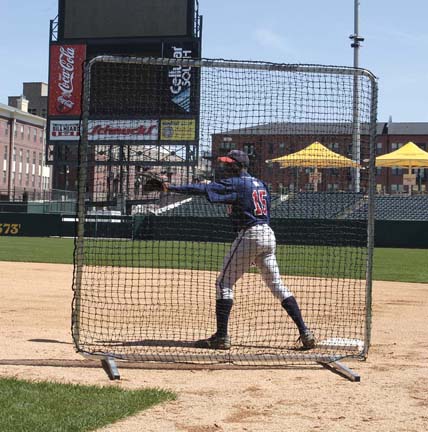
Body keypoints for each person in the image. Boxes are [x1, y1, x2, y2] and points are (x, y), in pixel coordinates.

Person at [166, 150, 315, 350]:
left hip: (250, 234)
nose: (224, 166)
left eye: (228, 163)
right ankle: (305, 332)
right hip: (267, 235)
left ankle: (221, 336)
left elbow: (201, 189)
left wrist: (169, 187)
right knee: (277, 285)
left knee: (223, 283)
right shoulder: (260, 183)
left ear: (237, 166)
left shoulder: (236, 182)